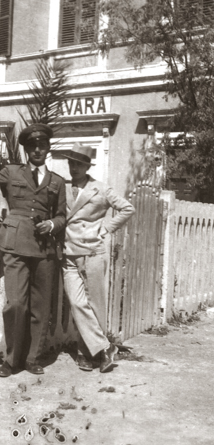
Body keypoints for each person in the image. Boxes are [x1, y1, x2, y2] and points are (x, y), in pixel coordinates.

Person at [0, 124, 66, 376]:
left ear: (48, 148)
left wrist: (52, 224)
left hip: (44, 249)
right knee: (16, 304)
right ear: (26, 149)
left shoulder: (57, 181)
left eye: (42, 145)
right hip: (16, 243)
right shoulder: (11, 172)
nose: (38, 150)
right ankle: (12, 360)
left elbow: (62, 216)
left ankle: (32, 359)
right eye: (32, 146)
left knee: (41, 306)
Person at [62, 143, 135, 373]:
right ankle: (105, 348)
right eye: (71, 163)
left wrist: (106, 228)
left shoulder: (101, 189)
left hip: (93, 251)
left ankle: (87, 353)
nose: (74, 168)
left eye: (79, 164)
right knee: (76, 302)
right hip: (69, 253)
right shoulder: (61, 188)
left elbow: (127, 208)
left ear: (87, 166)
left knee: (95, 305)